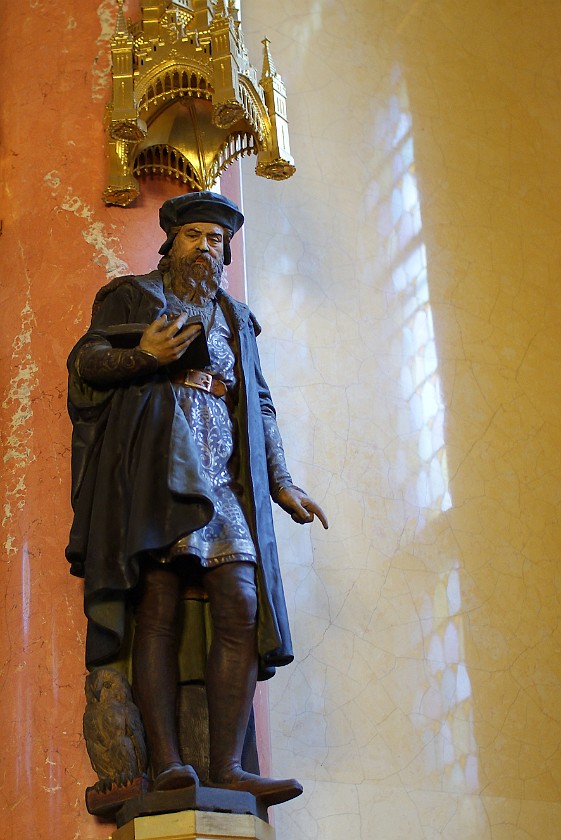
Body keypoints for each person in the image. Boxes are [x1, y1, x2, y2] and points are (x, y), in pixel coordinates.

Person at [66, 191, 328, 807]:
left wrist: (283, 481)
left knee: (239, 602)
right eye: (194, 236)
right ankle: (168, 765)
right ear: (171, 241)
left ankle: (227, 768)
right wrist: (143, 356)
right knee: (159, 605)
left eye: (216, 238)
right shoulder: (133, 294)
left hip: (223, 471)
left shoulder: (236, 318)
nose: (205, 247)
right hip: (159, 461)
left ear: (227, 250)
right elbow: (87, 362)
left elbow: (258, 403)